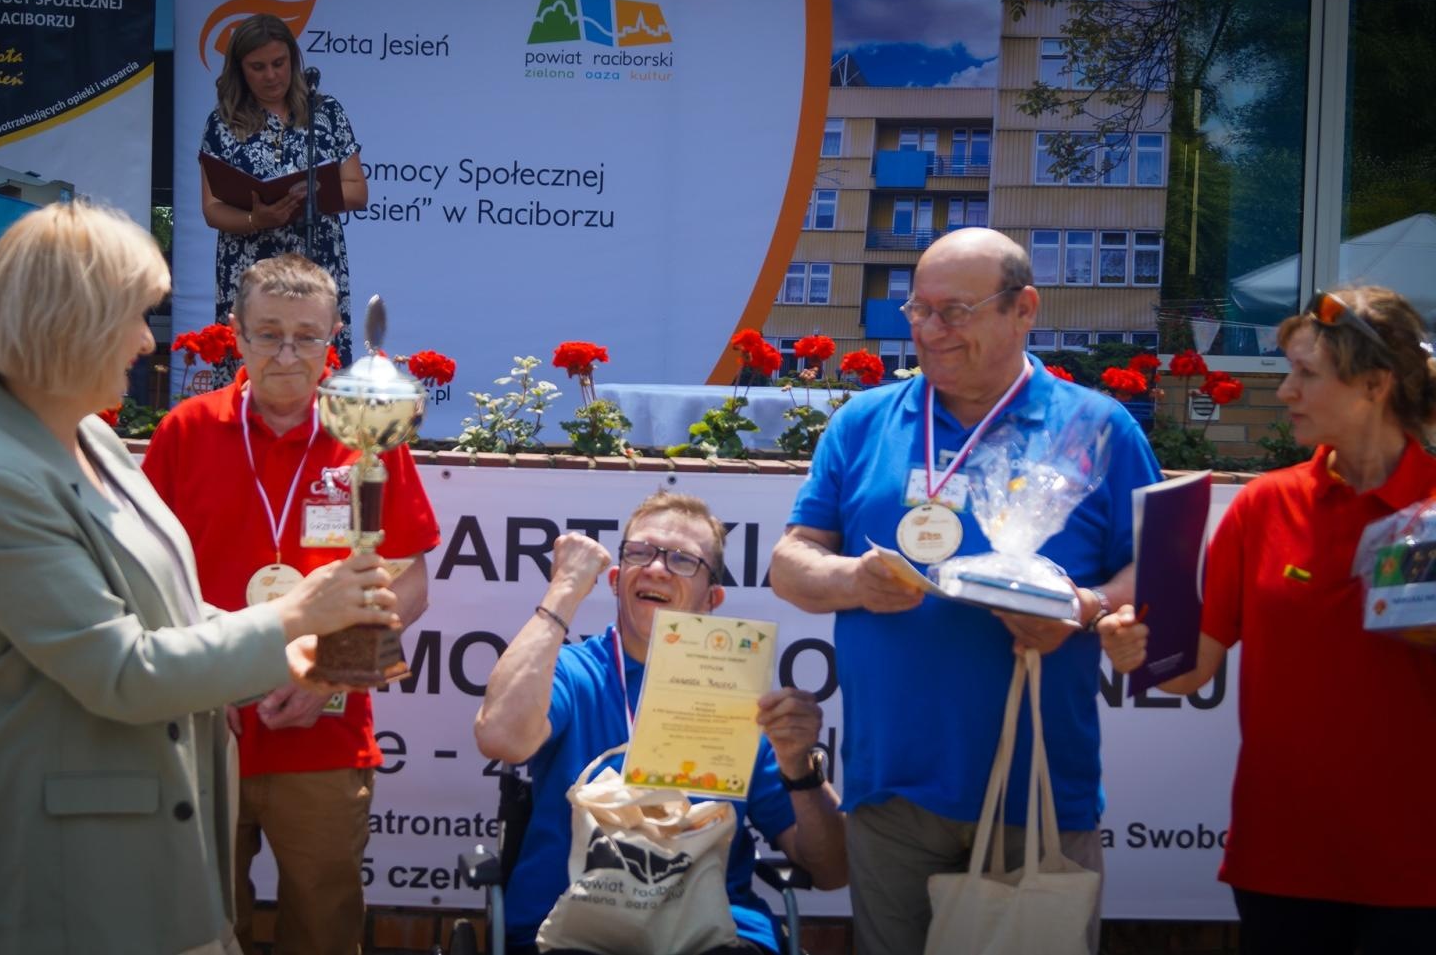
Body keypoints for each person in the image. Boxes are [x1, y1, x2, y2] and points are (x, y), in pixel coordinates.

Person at [0, 202, 400, 955]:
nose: (149, 341)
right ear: (66, 321)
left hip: (143, 852)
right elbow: (123, 669)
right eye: (135, 316)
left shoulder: (93, 440)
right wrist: (294, 616)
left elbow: (167, 611)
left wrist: (308, 653)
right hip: (60, 872)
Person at [768, 227, 1161, 955]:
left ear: (1024, 309)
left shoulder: (1099, 428)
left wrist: (1081, 610)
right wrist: (853, 579)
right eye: (919, 311)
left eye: (956, 311)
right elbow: (790, 563)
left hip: (1037, 789)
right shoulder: (863, 423)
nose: (931, 331)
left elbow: (1155, 570)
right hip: (888, 792)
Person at [1101, 286, 1436, 954]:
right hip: (1282, 861)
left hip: (1418, 867)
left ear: (1375, 384)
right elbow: (1187, 668)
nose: (1285, 392)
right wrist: (1131, 644)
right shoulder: (1264, 505)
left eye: (1307, 374)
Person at [143, 252, 440, 955]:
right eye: (268, 332)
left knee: (326, 927)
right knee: (204, 929)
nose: (287, 353)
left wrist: (326, 674)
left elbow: (411, 582)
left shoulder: (366, 430)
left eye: (306, 336)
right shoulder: (185, 431)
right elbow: (145, 581)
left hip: (326, 731)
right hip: (206, 727)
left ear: (332, 339)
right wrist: (208, 677)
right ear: (236, 335)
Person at [474, 491, 847, 955]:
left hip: (711, 930)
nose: (655, 568)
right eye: (640, 553)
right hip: (571, 925)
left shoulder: (743, 703)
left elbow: (831, 870)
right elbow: (499, 736)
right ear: (615, 580)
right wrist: (564, 590)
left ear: (713, 598)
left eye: (682, 560)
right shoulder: (572, 672)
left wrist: (799, 765)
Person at [200, 12, 368, 376]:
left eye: (279, 63)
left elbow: (357, 191)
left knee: (314, 368)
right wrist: (255, 219)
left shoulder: (326, 112)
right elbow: (212, 209)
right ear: (239, 70)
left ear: (294, 60)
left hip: (316, 259)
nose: (271, 75)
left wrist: (302, 200)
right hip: (248, 266)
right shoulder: (222, 123)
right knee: (252, 371)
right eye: (257, 67)